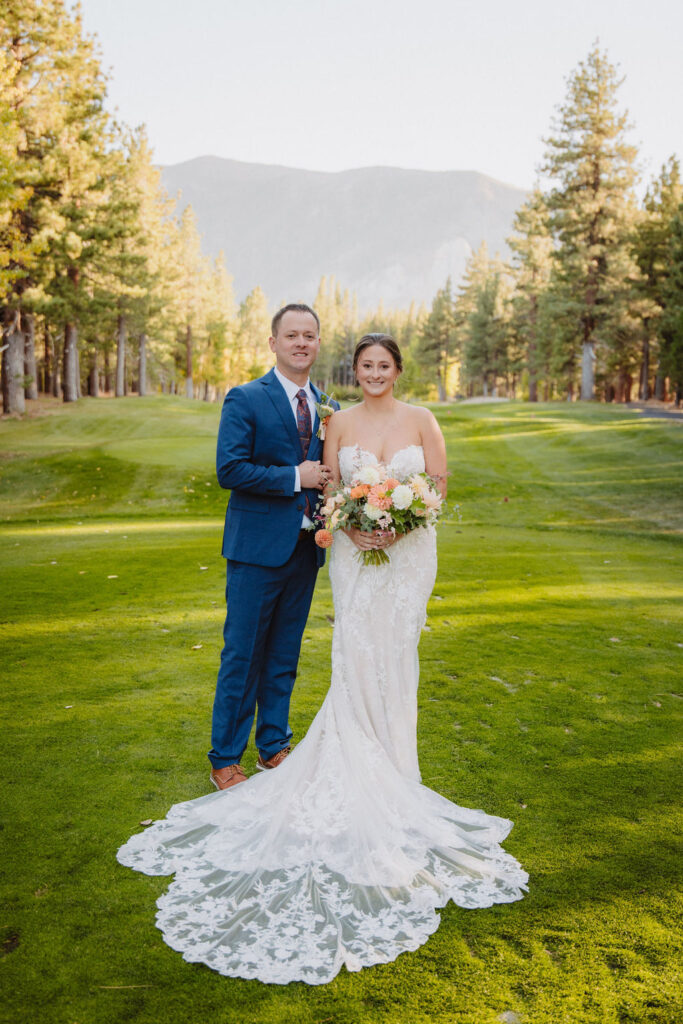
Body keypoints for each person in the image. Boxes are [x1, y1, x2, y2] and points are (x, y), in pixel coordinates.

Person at [117, 333, 528, 985]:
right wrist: (349, 522)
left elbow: (439, 486)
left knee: (395, 659)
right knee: (343, 656)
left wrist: (407, 521)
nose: (372, 372)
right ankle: (247, 756)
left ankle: (384, 763)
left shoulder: (420, 418)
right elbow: (329, 487)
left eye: (383, 364)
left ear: (397, 369)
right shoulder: (334, 419)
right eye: (363, 364)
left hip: (409, 555)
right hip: (352, 557)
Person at [208, 302, 337, 790]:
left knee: (284, 653)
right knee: (243, 653)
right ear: (273, 342)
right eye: (292, 335)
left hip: (306, 550)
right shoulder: (245, 398)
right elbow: (230, 469)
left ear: (318, 343)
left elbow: (332, 475)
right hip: (255, 551)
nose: (301, 343)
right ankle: (225, 758)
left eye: (310, 335)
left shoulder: (331, 407)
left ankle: (274, 747)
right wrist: (293, 476)